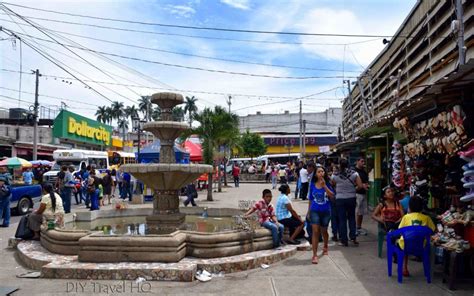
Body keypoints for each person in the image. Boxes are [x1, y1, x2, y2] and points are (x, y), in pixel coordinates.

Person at [397, 196, 435, 277]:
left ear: (409, 207)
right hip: (421, 246)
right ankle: (428, 269)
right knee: (430, 245)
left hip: (406, 246)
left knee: (403, 242)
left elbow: (400, 230)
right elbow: (432, 230)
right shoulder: (426, 218)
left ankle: (404, 268)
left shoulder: (405, 217)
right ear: (422, 207)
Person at [331, 158, 363, 247]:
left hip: (340, 199)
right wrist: (353, 190)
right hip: (351, 198)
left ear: (339, 164)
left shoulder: (335, 175)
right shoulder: (354, 174)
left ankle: (344, 240)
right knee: (352, 217)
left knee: (342, 219)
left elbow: (332, 185)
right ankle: (353, 237)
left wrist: (339, 191)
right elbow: (360, 186)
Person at [307, 167, 335, 264]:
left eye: (322, 171)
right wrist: (308, 211)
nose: (321, 173)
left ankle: (325, 246)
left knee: (324, 231)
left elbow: (332, 195)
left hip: (326, 211)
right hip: (314, 210)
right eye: (319, 171)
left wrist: (325, 187)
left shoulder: (327, 184)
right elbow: (310, 199)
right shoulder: (312, 185)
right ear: (315, 174)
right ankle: (314, 255)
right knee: (315, 231)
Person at [354, 157, 369, 236]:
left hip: (363, 193)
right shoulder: (354, 172)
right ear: (357, 161)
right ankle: (355, 228)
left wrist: (366, 185)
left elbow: (366, 181)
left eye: (364, 161)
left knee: (361, 212)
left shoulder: (364, 172)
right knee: (357, 211)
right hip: (357, 193)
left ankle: (359, 227)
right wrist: (361, 185)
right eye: (362, 161)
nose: (363, 163)